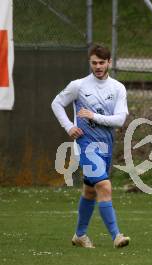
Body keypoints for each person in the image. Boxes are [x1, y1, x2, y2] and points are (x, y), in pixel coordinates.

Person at [51, 44, 130, 248]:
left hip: (106, 146)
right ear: (90, 63)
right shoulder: (78, 86)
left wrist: (93, 116)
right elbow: (57, 103)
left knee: (89, 192)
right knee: (104, 186)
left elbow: (120, 120)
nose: (98, 66)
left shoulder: (118, 88)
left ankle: (79, 235)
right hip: (86, 146)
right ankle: (116, 236)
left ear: (109, 63)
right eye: (94, 63)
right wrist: (69, 126)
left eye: (102, 63)